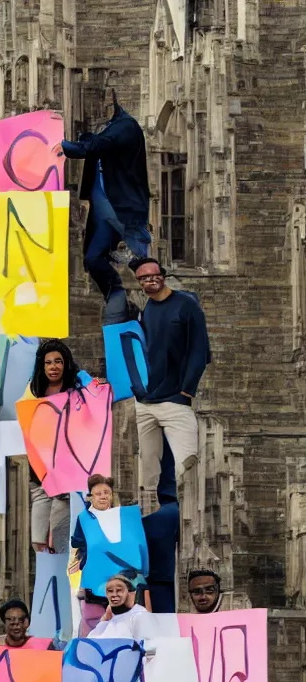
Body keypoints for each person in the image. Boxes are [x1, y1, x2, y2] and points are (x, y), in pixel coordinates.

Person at [61, 90, 151, 323]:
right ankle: (116, 293)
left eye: (108, 105)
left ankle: (149, 305)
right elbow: (93, 142)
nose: (103, 109)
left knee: (137, 260)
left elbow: (97, 145)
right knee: (93, 258)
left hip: (122, 205)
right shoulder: (107, 129)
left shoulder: (126, 127)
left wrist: (64, 145)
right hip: (102, 207)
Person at [133, 257, 210, 495]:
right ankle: (153, 519)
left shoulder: (186, 305)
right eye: (143, 278)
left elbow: (200, 349)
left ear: (163, 275)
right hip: (144, 403)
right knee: (147, 473)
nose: (150, 280)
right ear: (139, 283)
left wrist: (187, 390)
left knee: (187, 463)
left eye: (153, 274)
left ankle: (189, 522)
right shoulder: (146, 311)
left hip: (175, 400)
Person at [25, 339, 88, 554]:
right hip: (41, 473)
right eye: (49, 363)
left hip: (67, 477)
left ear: (65, 364)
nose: (53, 367)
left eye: (58, 362)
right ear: (42, 367)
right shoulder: (34, 391)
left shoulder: (78, 387)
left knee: (61, 539)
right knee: (38, 541)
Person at [70, 474, 150, 634]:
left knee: (128, 626)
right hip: (95, 586)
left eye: (107, 492)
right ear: (90, 497)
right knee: (95, 627)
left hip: (127, 582)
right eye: (99, 493)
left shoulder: (126, 518)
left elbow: (140, 546)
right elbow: (77, 543)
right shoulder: (84, 519)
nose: (103, 496)